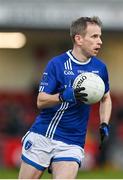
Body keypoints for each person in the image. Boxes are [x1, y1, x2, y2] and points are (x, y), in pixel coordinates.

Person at [18, 16, 112, 179]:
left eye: (100, 36)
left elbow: (105, 98)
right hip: (43, 135)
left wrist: (104, 123)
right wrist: (63, 96)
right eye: (94, 36)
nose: (100, 41)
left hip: (73, 140)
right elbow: (41, 101)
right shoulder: (57, 64)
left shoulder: (100, 68)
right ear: (79, 39)